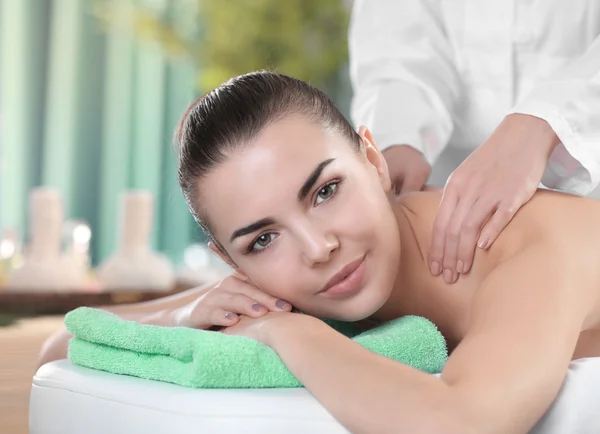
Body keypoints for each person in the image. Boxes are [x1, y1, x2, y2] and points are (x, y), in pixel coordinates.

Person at [39, 72, 600, 433]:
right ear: (232, 263)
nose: (318, 248)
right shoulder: (294, 281)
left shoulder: (528, 247)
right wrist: (185, 312)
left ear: (374, 162)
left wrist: (284, 333)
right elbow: (63, 346)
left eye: (326, 191)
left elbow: (462, 424)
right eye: (263, 238)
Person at [349, 0, 600, 285]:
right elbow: (395, 39)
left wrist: (546, 122)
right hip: (442, 190)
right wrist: (398, 138)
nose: (320, 248)